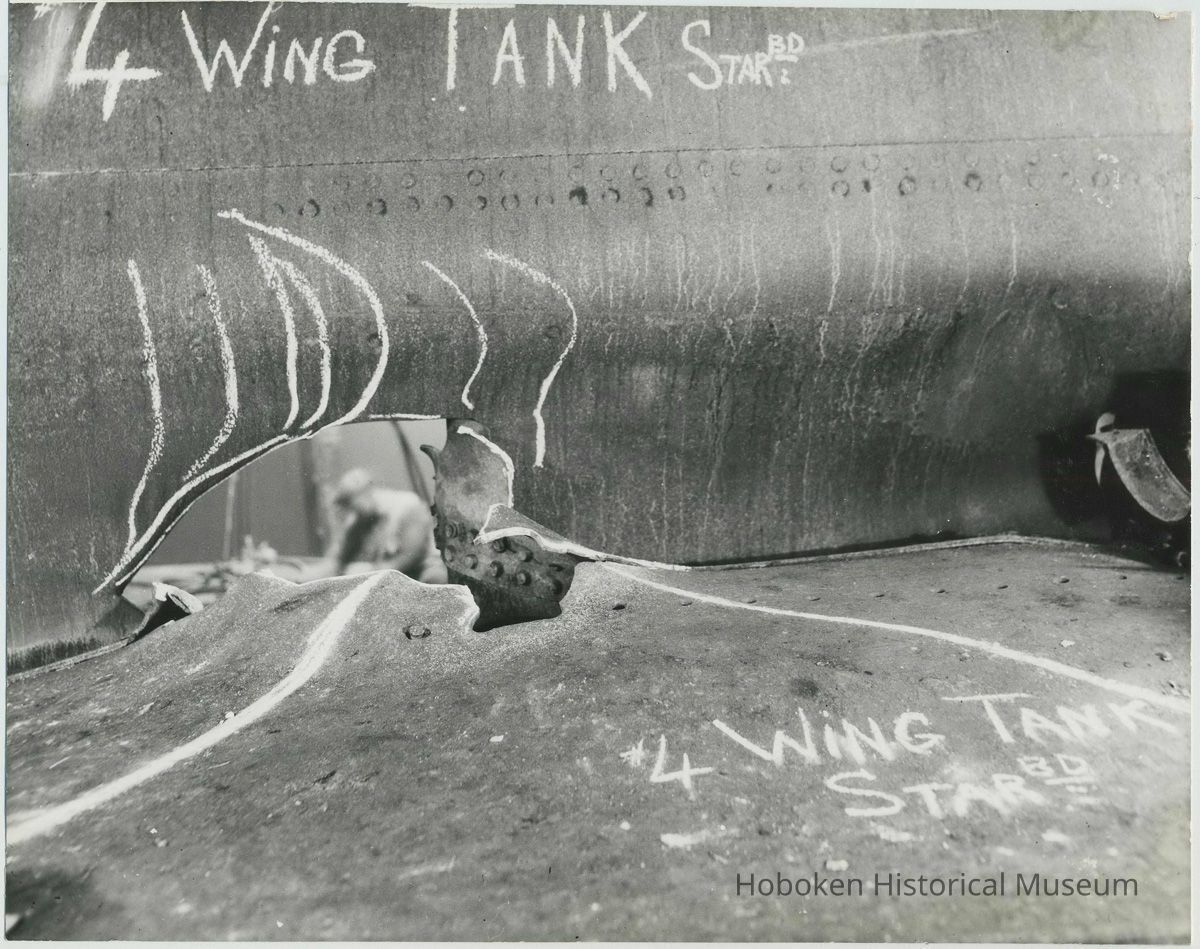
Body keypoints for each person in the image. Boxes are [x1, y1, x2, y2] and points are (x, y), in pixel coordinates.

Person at [320, 468, 446, 583]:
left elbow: (412, 555)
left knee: (435, 578)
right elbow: (339, 556)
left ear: (366, 492)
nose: (352, 512)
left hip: (419, 569)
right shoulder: (361, 517)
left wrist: (371, 571)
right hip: (385, 573)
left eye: (352, 503)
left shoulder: (408, 506)